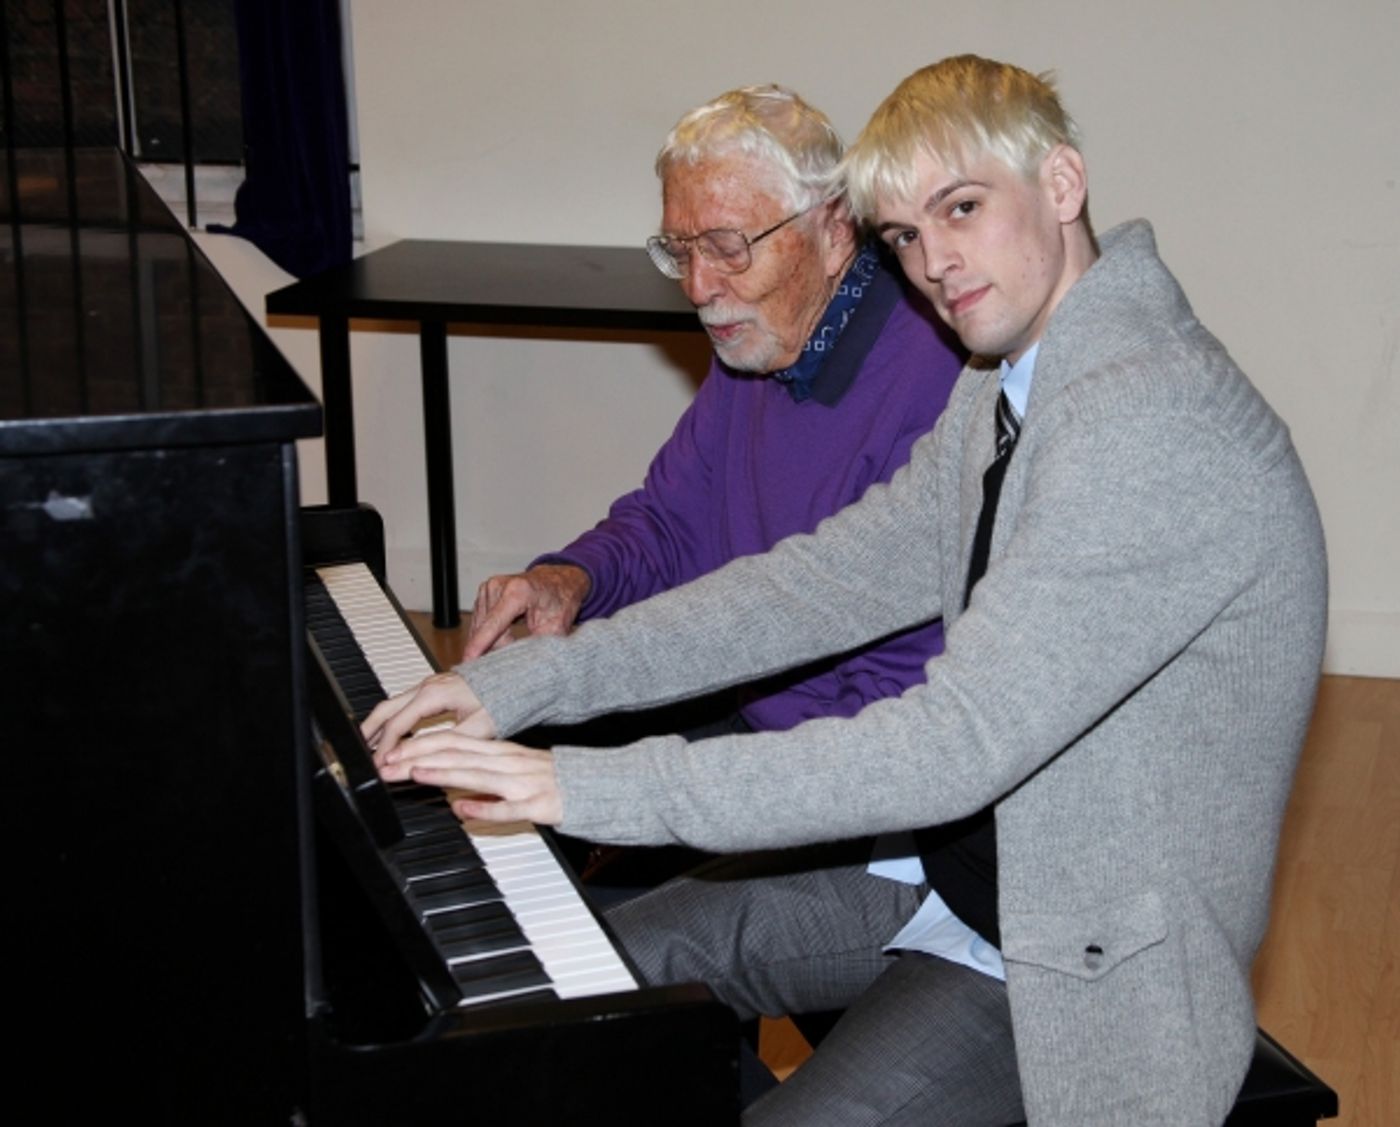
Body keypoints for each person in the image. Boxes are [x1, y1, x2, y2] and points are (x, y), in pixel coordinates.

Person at [366, 55, 1327, 1125]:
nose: (934, 265)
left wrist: (575, 786)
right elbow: (808, 586)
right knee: (587, 977)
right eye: (908, 235)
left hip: (1073, 952)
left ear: (1059, 185)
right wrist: (529, 685)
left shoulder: (1146, 423)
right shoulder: (1006, 383)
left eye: (961, 208)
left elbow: (947, 743)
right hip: (957, 875)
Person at [463, 85, 961, 743]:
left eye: (728, 247)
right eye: (680, 250)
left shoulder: (934, 380)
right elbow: (671, 524)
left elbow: (892, 722)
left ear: (835, 228)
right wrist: (570, 577)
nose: (699, 287)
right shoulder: (757, 347)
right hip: (749, 709)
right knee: (495, 734)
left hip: (843, 764)